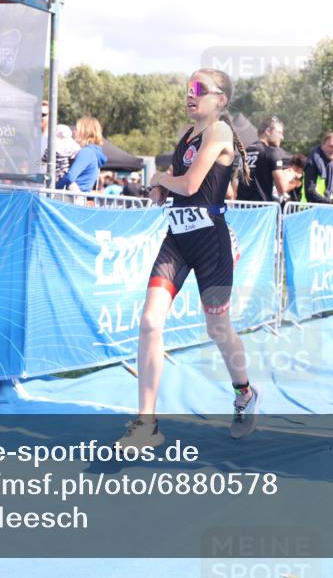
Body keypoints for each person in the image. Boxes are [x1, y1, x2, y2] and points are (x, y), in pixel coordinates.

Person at [119, 69, 257, 449]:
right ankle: (146, 424)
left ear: (221, 100)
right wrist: (158, 186)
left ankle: (244, 392)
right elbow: (172, 186)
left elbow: (192, 185)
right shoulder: (186, 135)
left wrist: (162, 179)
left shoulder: (220, 132)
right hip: (177, 239)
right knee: (149, 323)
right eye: (187, 88)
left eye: (198, 89)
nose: (189, 94)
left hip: (211, 243)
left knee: (218, 330)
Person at [235, 116, 289, 202]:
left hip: (241, 209)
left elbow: (235, 184)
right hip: (262, 210)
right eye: (279, 132)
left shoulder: (245, 152)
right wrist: (289, 175)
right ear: (268, 131)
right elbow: (282, 188)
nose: (282, 137)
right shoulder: (271, 152)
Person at [56, 116, 107, 191]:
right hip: (79, 197)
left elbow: (70, 177)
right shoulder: (92, 152)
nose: (74, 132)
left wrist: (55, 187)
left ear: (85, 132)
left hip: (72, 198)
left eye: (76, 129)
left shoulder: (87, 152)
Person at [303, 132, 333, 204]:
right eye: (330, 146)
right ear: (322, 146)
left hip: (327, 210)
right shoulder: (313, 163)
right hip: (310, 211)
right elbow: (310, 193)